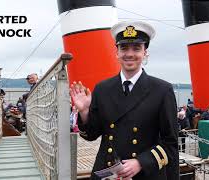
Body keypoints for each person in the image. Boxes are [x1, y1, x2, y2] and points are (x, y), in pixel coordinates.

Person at [70, 21, 179, 180]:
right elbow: (91, 134)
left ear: (145, 53)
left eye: (136, 48)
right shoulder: (102, 88)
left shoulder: (162, 90)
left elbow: (171, 143)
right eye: (124, 48)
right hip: (107, 173)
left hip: (145, 174)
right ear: (117, 52)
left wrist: (140, 162)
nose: (129, 54)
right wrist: (85, 112)